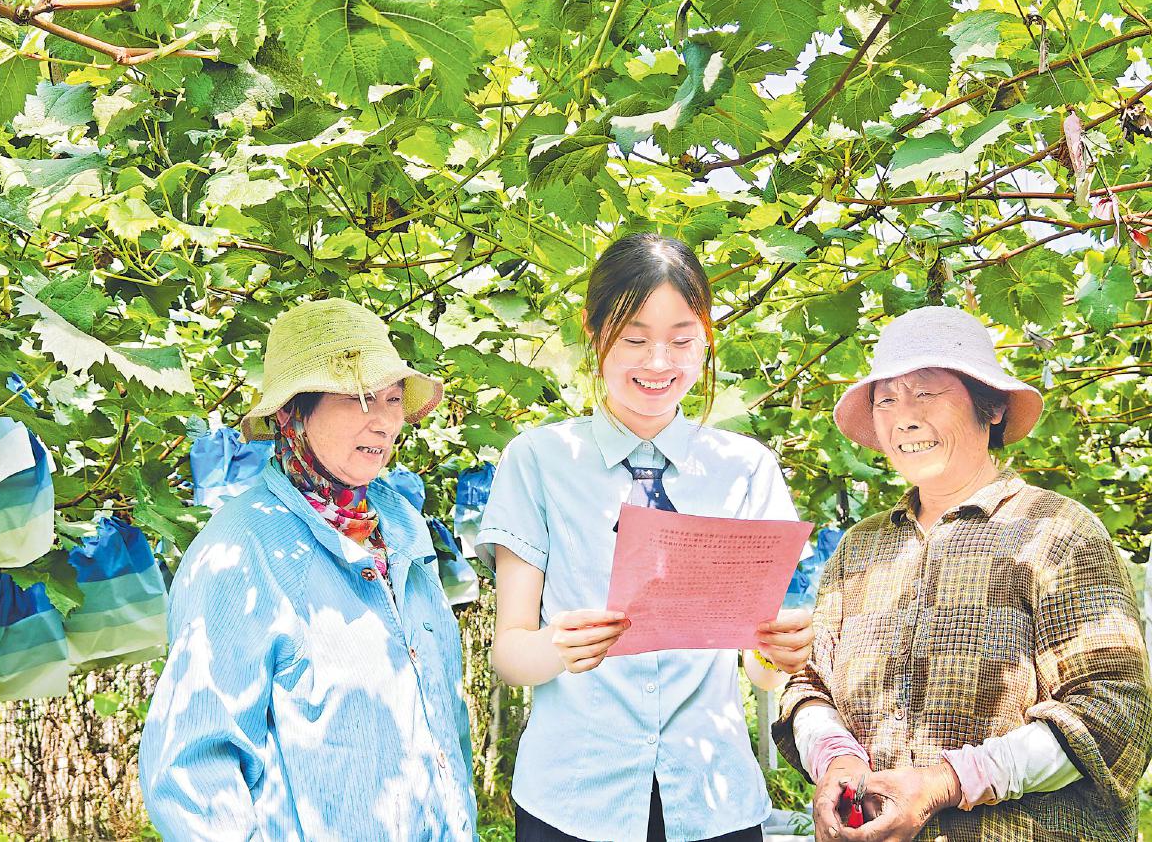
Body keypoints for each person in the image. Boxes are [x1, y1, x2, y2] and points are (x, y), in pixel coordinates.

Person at [771, 306, 1152, 842]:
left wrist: (946, 782)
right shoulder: (860, 549)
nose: (903, 418)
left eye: (926, 393)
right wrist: (836, 758)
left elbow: (1114, 714)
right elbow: (810, 685)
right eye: (886, 400)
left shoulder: (1057, 532)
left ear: (990, 407)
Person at [480, 233, 815, 842]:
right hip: (572, 798)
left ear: (706, 337)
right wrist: (559, 646)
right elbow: (510, 654)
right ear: (593, 332)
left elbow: (761, 669)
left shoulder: (746, 469)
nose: (659, 363)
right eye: (634, 339)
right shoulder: (538, 460)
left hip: (713, 798)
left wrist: (778, 653)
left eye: (682, 340)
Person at [139, 299, 476, 841]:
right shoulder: (238, 553)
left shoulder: (401, 527)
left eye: (393, 399)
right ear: (292, 413)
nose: (384, 421)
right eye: (359, 399)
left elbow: (440, 715)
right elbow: (193, 776)